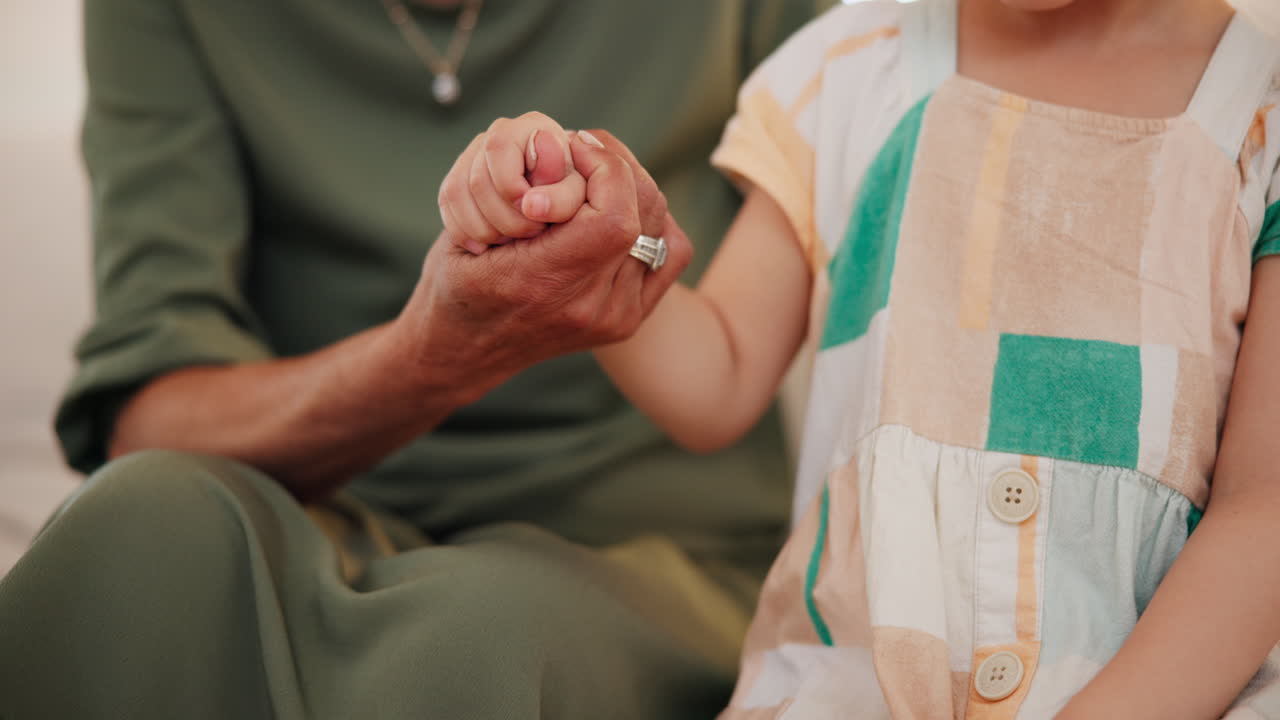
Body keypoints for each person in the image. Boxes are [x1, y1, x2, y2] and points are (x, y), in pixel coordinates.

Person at [0, 1, 831, 718]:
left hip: (651, 549)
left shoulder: (839, 53)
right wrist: (439, 348)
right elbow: (153, 413)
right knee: (131, 531)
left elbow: (753, 341)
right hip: (310, 519)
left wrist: (616, 261)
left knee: (469, 641)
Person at [449, 0, 1280, 717]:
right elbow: (723, 371)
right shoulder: (848, 69)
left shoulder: (1261, 114)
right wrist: (590, 247)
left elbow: (1263, 508)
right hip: (853, 686)